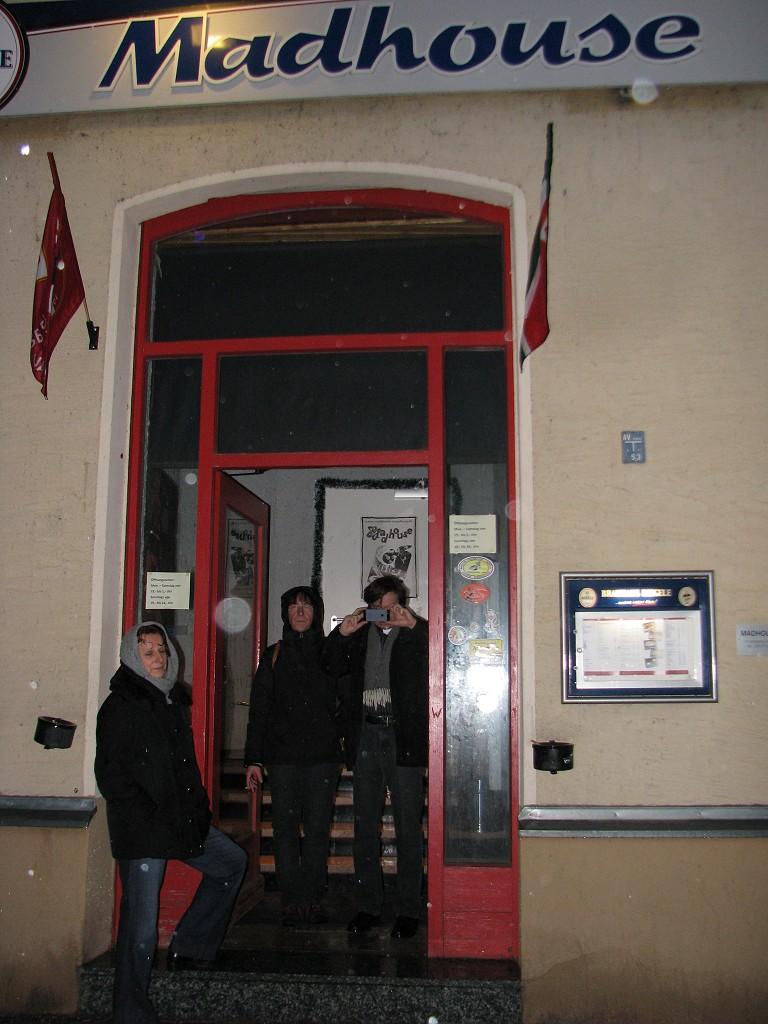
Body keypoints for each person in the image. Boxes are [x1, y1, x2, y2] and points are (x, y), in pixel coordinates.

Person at [95, 622, 247, 1024]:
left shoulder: (170, 701)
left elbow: (183, 768)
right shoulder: (121, 706)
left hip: (180, 821)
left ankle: (191, 945)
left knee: (230, 863)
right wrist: (150, 815)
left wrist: (197, 810)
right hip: (143, 830)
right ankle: (130, 1012)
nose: (159, 658)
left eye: (162, 650)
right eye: (148, 652)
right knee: (141, 928)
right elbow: (111, 778)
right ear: (132, 658)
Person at [325, 574, 428, 939]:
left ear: (403, 605)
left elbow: (445, 654)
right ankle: (368, 905)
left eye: (391, 607)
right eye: (377, 608)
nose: (384, 615)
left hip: (403, 737)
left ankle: (408, 909)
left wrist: (412, 626)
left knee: (408, 827)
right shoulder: (357, 637)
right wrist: (341, 634)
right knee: (364, 826)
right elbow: (328, 665)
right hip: (366, 734)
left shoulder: (415, 633)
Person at [244, 586, 341, 926]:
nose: (300, 612)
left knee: (317, 830)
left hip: (322, 759)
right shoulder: (273, 656)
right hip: (283, 759)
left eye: (307, 606)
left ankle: (311, 899)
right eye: (294, 606)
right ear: (285, 613)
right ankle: (291, 899)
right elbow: (259, 711)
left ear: (317, 613)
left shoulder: (329, 654)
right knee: (284, 830)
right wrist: (253, 759)